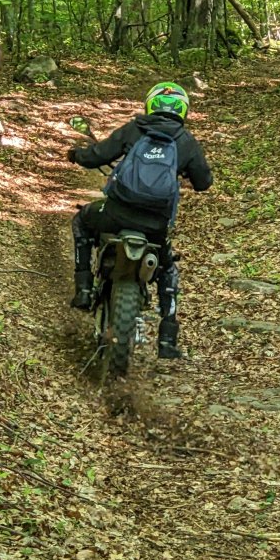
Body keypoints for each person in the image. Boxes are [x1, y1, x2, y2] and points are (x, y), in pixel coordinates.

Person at [66, 82, 213, 359]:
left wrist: (76, 155)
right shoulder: (187, 141)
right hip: (155, 226)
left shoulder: (135, 128)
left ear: (150, 104)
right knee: (167, 270)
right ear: (183, 109)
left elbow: (97, 155)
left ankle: (84, 289)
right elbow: (204, 182)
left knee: (82, 221)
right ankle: (168, 339)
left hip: (115, 214)